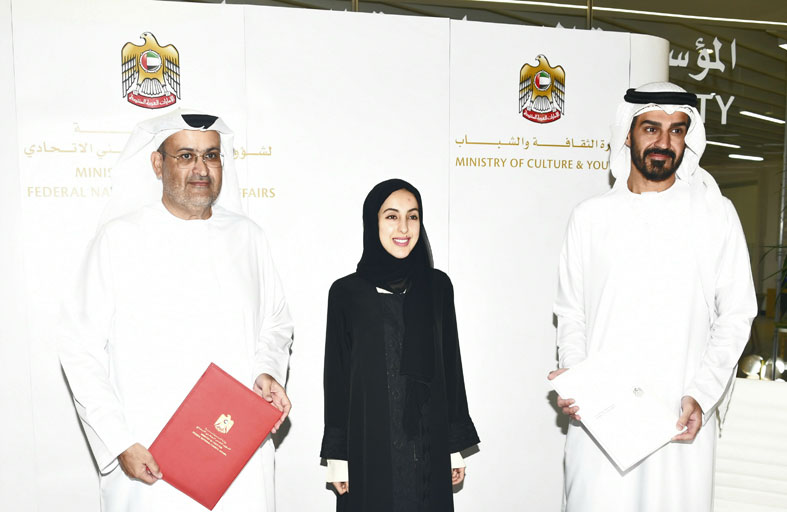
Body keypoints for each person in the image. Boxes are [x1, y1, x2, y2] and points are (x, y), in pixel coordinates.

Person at [58, 109, 294, 512]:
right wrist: (120, 442)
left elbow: (275, 323)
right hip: (150, 457)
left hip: (236, 453)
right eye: (186, 156)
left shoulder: (248, 237)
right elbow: (80, 349)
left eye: (211, 155)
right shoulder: (119, 240)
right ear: (157, 164)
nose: (201, 168)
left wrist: (266, 370)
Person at [548, 82, 757, 511]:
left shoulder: (715, 215)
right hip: (602, 419)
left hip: (678, 416)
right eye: (651, 128)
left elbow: (737, 315)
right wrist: (577, 382)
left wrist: (702, 394)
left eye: (677, 130)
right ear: (627, 134)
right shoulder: (590, 218)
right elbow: (571, 314)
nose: (664, 142)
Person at [320, 179, 480, 512]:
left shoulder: (437, 287)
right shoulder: (346, 294)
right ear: (373, 222)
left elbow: (450, 369)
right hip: (369, 447)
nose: (404, 228)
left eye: (413, 216)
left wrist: (453, 448)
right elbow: (337, 380)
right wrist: (338, 457)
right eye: (392, 216)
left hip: (429, 445)